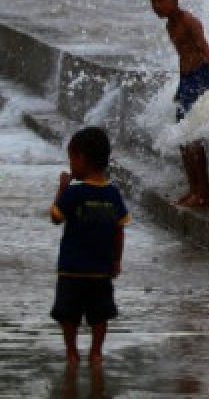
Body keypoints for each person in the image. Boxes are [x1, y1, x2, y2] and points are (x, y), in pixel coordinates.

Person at [50, 126, 130, 368]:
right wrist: (116, 260)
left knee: (68, 315)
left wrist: (62, 188)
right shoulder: (113, 193)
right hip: (100, 269)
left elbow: (55, 217)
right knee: (100, 314)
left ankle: (72, 353)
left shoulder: (74, 193)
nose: (71, 165)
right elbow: (119, 230)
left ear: (81, 158)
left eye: (71, 158)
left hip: (71, 269)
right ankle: (96, 352)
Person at [149, 0, 209, 208]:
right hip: (188, 81)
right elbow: (183, 56)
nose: (156, 6)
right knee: (183, 138)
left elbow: (206, 51)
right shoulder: (170, 25)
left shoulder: (190, 22)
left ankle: (204, 192)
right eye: (152, 1)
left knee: (192, 137)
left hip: (201, 77)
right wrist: (180, 87)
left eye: (160, 0)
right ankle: (194, 189)